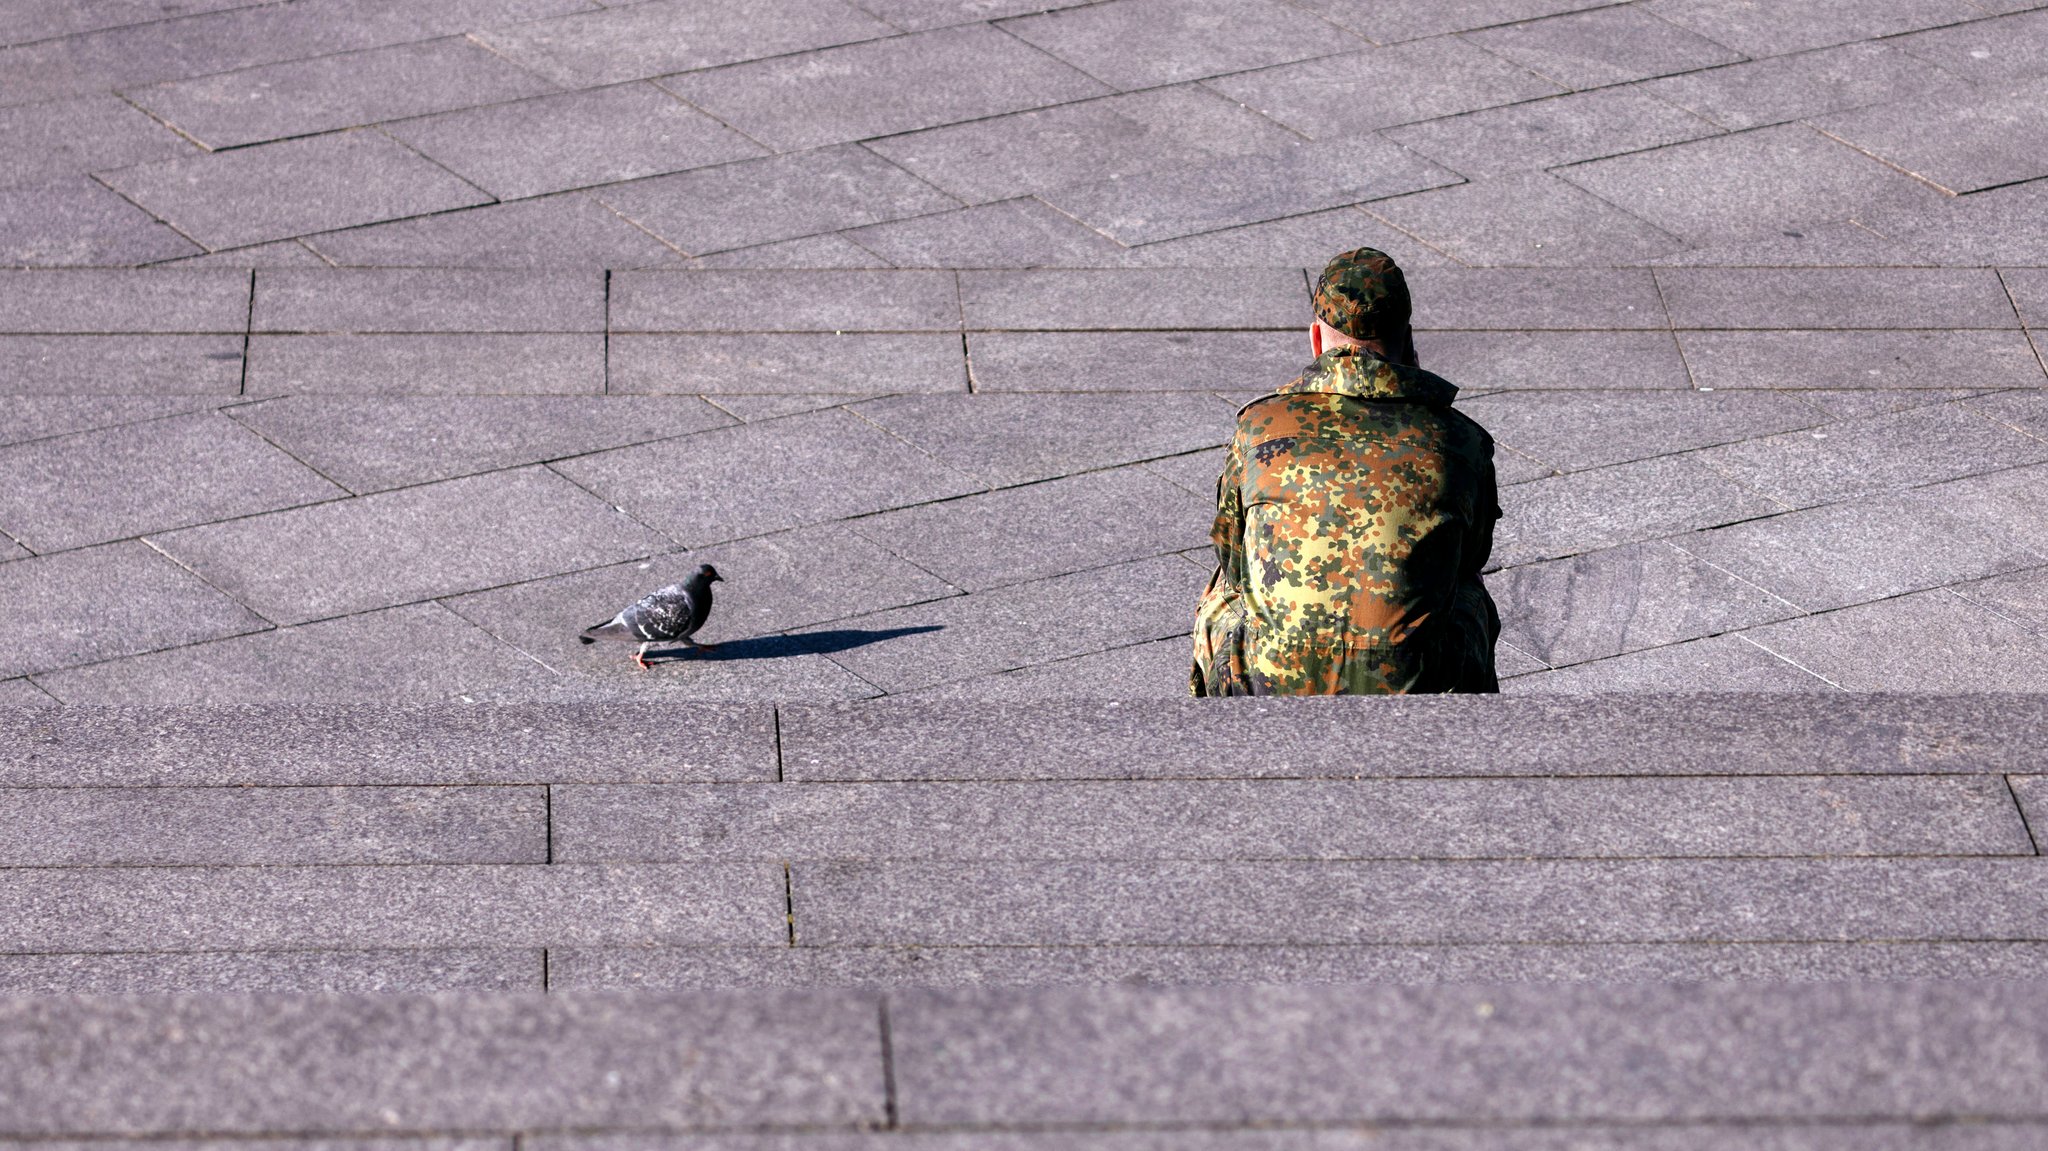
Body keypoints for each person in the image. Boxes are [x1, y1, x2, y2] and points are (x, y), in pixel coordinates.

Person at [1191, 248, 1502, 696]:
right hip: (1415, 684)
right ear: (1409, 340)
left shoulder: (1259, 427)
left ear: (1316, 339)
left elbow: (1232, 556)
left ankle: (1219, 742)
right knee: (1466, 591)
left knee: (1224, 593)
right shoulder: (1459, 440)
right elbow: (1472, 555)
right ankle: (1471, 740)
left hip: (1270, 680)